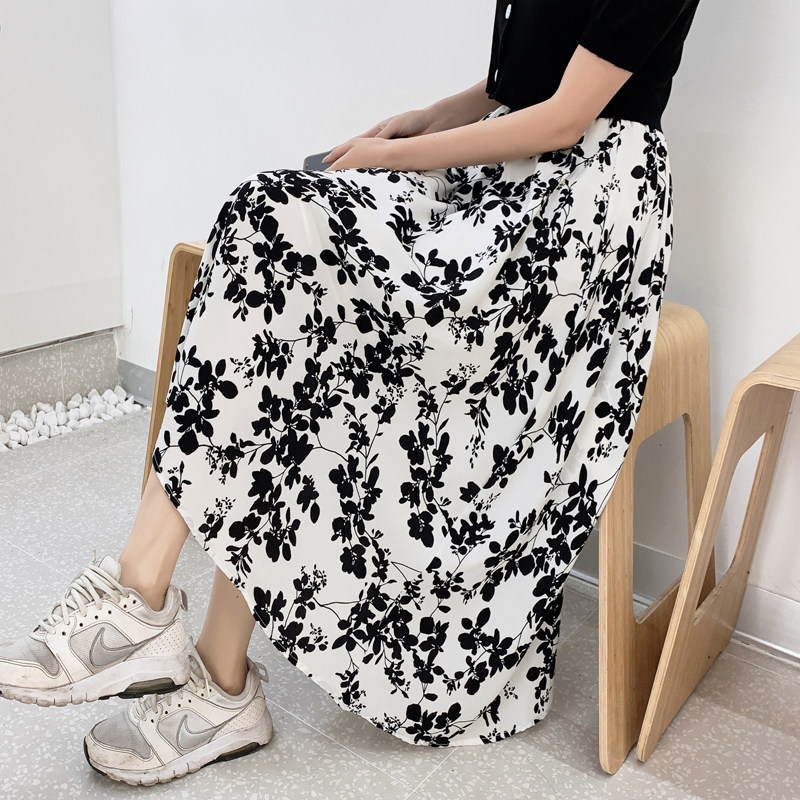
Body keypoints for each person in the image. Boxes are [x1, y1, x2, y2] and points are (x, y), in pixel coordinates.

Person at [0, 0, 702, 787]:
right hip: (498, 187)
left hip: (573, 223)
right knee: (268, 224)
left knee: (313, 283)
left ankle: (182, 645)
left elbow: (567, 118)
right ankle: (165, 618)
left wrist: (402, 155)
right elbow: (527, 73)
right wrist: (428, 117)